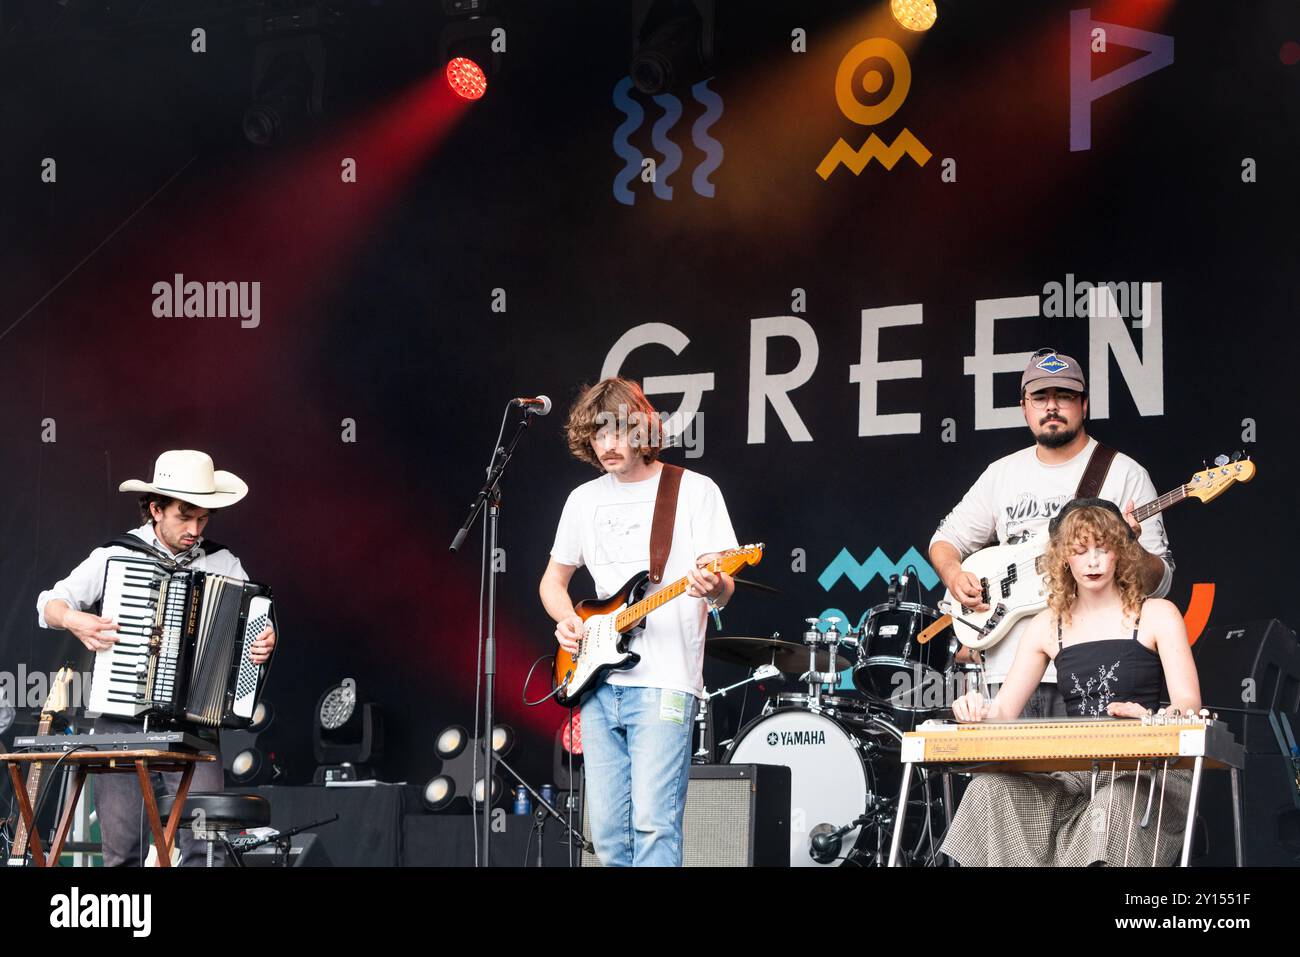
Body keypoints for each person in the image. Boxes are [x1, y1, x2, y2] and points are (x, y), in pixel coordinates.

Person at [36, 449, 275, 866]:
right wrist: (75, 620)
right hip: (120, 723)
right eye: (185, 516)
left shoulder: (223, 562)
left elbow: (253, 624)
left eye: (202, 519)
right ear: (155, 509)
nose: (194, 529)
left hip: (194, 728)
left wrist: (265, 639)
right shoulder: (116, 554)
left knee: (205, 846)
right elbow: (49, 604)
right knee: (122, 849)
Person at [539, 378, 739, 866]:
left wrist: (715, 586)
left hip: (665, 682)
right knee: (607, 836)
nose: (607, 445)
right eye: (597, 435)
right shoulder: (582, 500)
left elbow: (726, 579)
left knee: (653, 825)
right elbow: (552, 582)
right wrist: (568, 620)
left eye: (618, 432)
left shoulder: (693, 491)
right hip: (595, 681)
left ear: (643, 431)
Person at [940, 499, 1201, 867]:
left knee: (1113, 803)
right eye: (1080, 551)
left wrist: (1151, 718)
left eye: (1102, 549)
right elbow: (1002, 712)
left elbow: (1188, 703)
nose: (1092, 561)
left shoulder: (1157, 614)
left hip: (1147, 774)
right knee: (989, 788)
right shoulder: (1047, 625)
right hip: (1077, 777)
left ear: (1120, 553)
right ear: (1063, 557)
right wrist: (975, 710)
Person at [928, 348, 1174, 716]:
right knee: (1008, 775)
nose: (1052, 406)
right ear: (1024, 406)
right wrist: (954, 575)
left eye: (1065, 396)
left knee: (1087, 775)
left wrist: (1130, 547)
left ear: (1085, 404)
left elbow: (1161, 581)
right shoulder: (1002, 473)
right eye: (1040, 397)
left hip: (1091, 667)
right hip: (1007, 668)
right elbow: (945, 540)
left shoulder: (1123, 473)